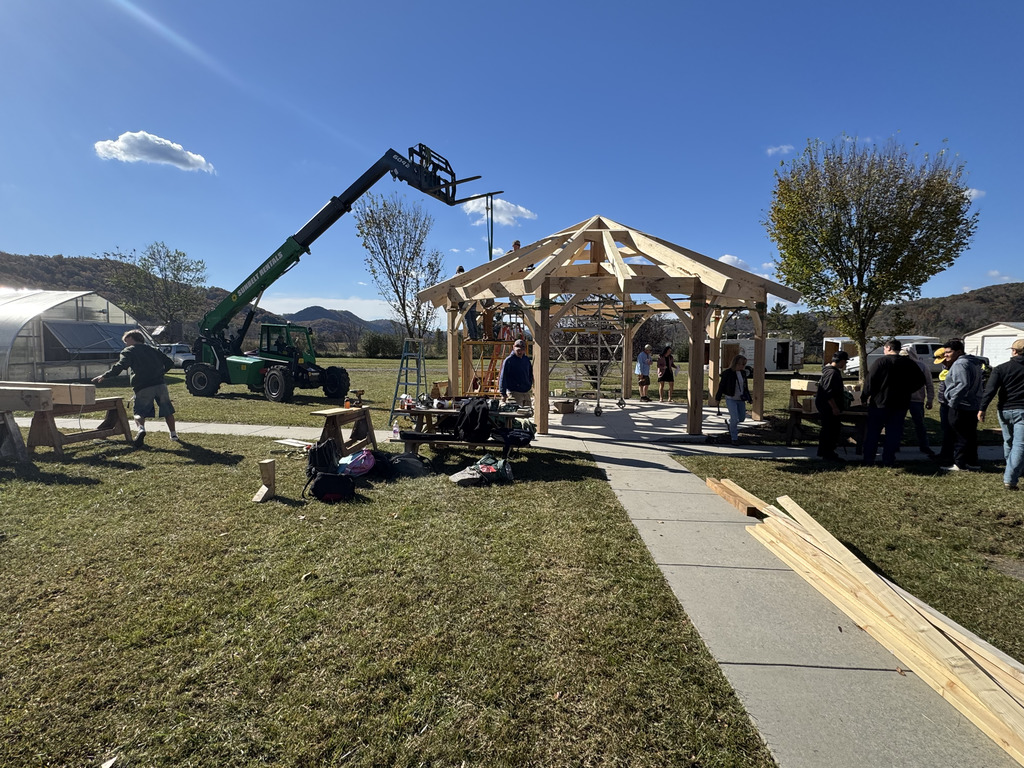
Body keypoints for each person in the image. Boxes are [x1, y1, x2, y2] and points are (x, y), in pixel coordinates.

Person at [92, 330, 178, 447]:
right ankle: (173, 434)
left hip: (143, 386)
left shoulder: (129, 351)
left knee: (139, 412)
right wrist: (160, 373)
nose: (125, 344)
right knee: (167, 409)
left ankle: (141, 429)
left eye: (126, 341)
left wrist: (105, 375)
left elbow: (121, 365)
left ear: (132, 339)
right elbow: (169, 362)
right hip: (160, 384)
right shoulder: (153, 349)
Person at [860, 338, 925, 467]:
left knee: (873, 432)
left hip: (879, 403)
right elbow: (920, 380)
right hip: (900, 404)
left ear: (889, 348)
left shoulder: (881, 362)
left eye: (884, 348)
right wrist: (908, 390)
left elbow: (869, 381)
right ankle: (888, 459)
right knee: (893, 433)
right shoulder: (909, 363)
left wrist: (864, 396)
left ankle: (869, 459)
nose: (884, 350)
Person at [978, 338, 1024, 490]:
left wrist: (982, 408)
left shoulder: (1001, 368)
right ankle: (1010, 478)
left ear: (1014, 351)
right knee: (1020, 444)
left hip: (1004, 409)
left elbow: (990, 390)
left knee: (1009, 441)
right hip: (1022, 410)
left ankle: (1011, 469)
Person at [942, 338, 984, 472]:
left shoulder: (960, 364)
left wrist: (953, 401)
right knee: (971, 434)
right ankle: (972, 462)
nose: (946, 355)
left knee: (960, 434)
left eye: (948, 352)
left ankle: (960, 463)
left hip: (961, 405)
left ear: (959, 351)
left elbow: (963, 384)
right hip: (973, 404)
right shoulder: (974, 363)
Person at [814, 350, 850, 461]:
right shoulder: (832, 373)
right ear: (842, 361)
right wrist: (834, 407)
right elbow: (828, 392)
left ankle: (824, 451)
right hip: (828, 406)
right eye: (845, 362)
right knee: (831, 430)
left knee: (828, 429)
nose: (845, 364)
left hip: (826, 405)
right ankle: (828, 453)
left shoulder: (829, 371)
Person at [902, 345, 936, 457]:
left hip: (917, 400)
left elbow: (929, 384)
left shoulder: (922, 366)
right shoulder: (899, 365)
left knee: (920, 424)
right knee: (897, 423)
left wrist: (930, 399)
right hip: (900, 400)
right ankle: (895, 445)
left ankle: (924, 446)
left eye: (907, 355)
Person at [713, 354, 753, 445]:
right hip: (731, 398)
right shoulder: (727, 373)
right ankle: (734, 438)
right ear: (735, 363)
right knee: (735, 418)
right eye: (741, 364)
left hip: (741, 399)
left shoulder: (743, 373)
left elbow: (745, 387)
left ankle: (729, 421)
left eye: (744, 364)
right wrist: (717, 398)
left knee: (741, 418)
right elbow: (721, 386)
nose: (743, 366)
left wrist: (749, 399)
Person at [499, 338, 534, 406]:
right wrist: (503, 393)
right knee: (516, 414)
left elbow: (530, 374)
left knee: (528, 413)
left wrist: (529, 384)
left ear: (524, 350)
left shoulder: (526, 360)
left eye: (521, 350)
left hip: (526, 392)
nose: (520, 352)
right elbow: (503, 377)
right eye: (518, 350)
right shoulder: (509, 361)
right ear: (513, 348)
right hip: (514, 393)